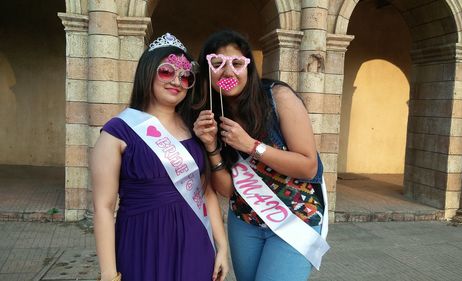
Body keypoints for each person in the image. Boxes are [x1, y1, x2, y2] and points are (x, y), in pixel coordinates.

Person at [193, 30, 329, 281]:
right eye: (217, 64)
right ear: (207, 69)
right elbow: (226, 190)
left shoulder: (277, 97)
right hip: (245, 222)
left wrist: (251, 146)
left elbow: (308, 166)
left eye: (236, 63)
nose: (228, 72)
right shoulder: (209, 115)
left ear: (249, 67)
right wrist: (211, 146)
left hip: (294, 219)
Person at [91, 32, 229, 281]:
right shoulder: (118, 131)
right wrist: (109, 274)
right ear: (148, 72)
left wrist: (222, 247)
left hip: (196, 244)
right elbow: (103, 207)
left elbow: (206, 192)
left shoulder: (194, 128)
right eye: (167, 71)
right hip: (141, 245)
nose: (177, 80)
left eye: (185, 76)